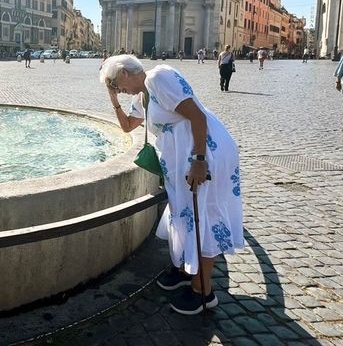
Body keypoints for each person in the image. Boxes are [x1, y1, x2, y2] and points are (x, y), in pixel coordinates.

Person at [100, 54, 243, 314]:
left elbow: (197, 117)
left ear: (124, 73)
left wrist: (200, 160)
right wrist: (113, 100)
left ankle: (204, 290)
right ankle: (186, 269)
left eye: (115, 84)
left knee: (204, 216)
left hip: (203, 154)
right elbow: (127, 126)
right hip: (180, 160)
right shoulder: (142, 95)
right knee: (184, 214)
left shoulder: (158, 77)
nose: (118, 90)